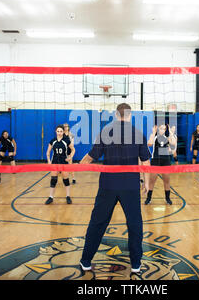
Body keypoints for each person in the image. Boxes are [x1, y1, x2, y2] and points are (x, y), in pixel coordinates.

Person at [79, 103, 150, 274]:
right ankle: (135, 264)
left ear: (116, 115)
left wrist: (79, 165)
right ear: (130, 115)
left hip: (108, 185)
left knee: (97, 223)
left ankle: (86, 261)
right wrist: (147, 183)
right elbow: (146, 162)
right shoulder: (138, 133)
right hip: (130, 186)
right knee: (135, 225)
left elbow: (91, 156)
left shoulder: (106, 132)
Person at [145, 124, 177, 205]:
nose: (162, 130)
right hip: (156, 160)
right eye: (161, 128)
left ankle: (167, 198)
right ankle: (148, 198)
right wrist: (153, 133)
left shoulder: (167, 137)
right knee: (152, 181)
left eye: (164, 129)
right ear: (158, 129)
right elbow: (149, 144)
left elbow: (173, 143)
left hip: (166, 161)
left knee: (166, 180)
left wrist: (171, 133)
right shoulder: (155, 137)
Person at [45, 125, 75, 204]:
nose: (59, 133)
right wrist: (48, 161)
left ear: (63, 132)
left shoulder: (66, 140)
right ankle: (51, 197)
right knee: (53, 180)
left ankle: (68, 196)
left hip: (64, 163)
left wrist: (70, 157)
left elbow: (73, 150)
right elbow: (48, 152)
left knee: (66, 180)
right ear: (56, 132)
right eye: (58, 131)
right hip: (54, 163)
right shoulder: (52, 141)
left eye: (61, 131)